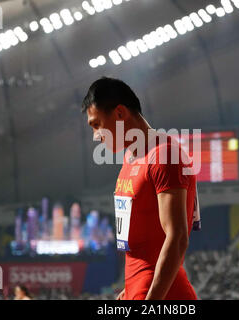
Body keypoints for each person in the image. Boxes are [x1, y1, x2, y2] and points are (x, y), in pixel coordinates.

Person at [82, 77, 198, 300]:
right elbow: (141, 243)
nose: (96, 136)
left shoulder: (164, 155)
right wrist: (131, 287)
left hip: (161, 295)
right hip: (140, 289)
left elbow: (177, 237)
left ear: (119, 113)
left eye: (96, 124)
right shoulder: (131, 157)